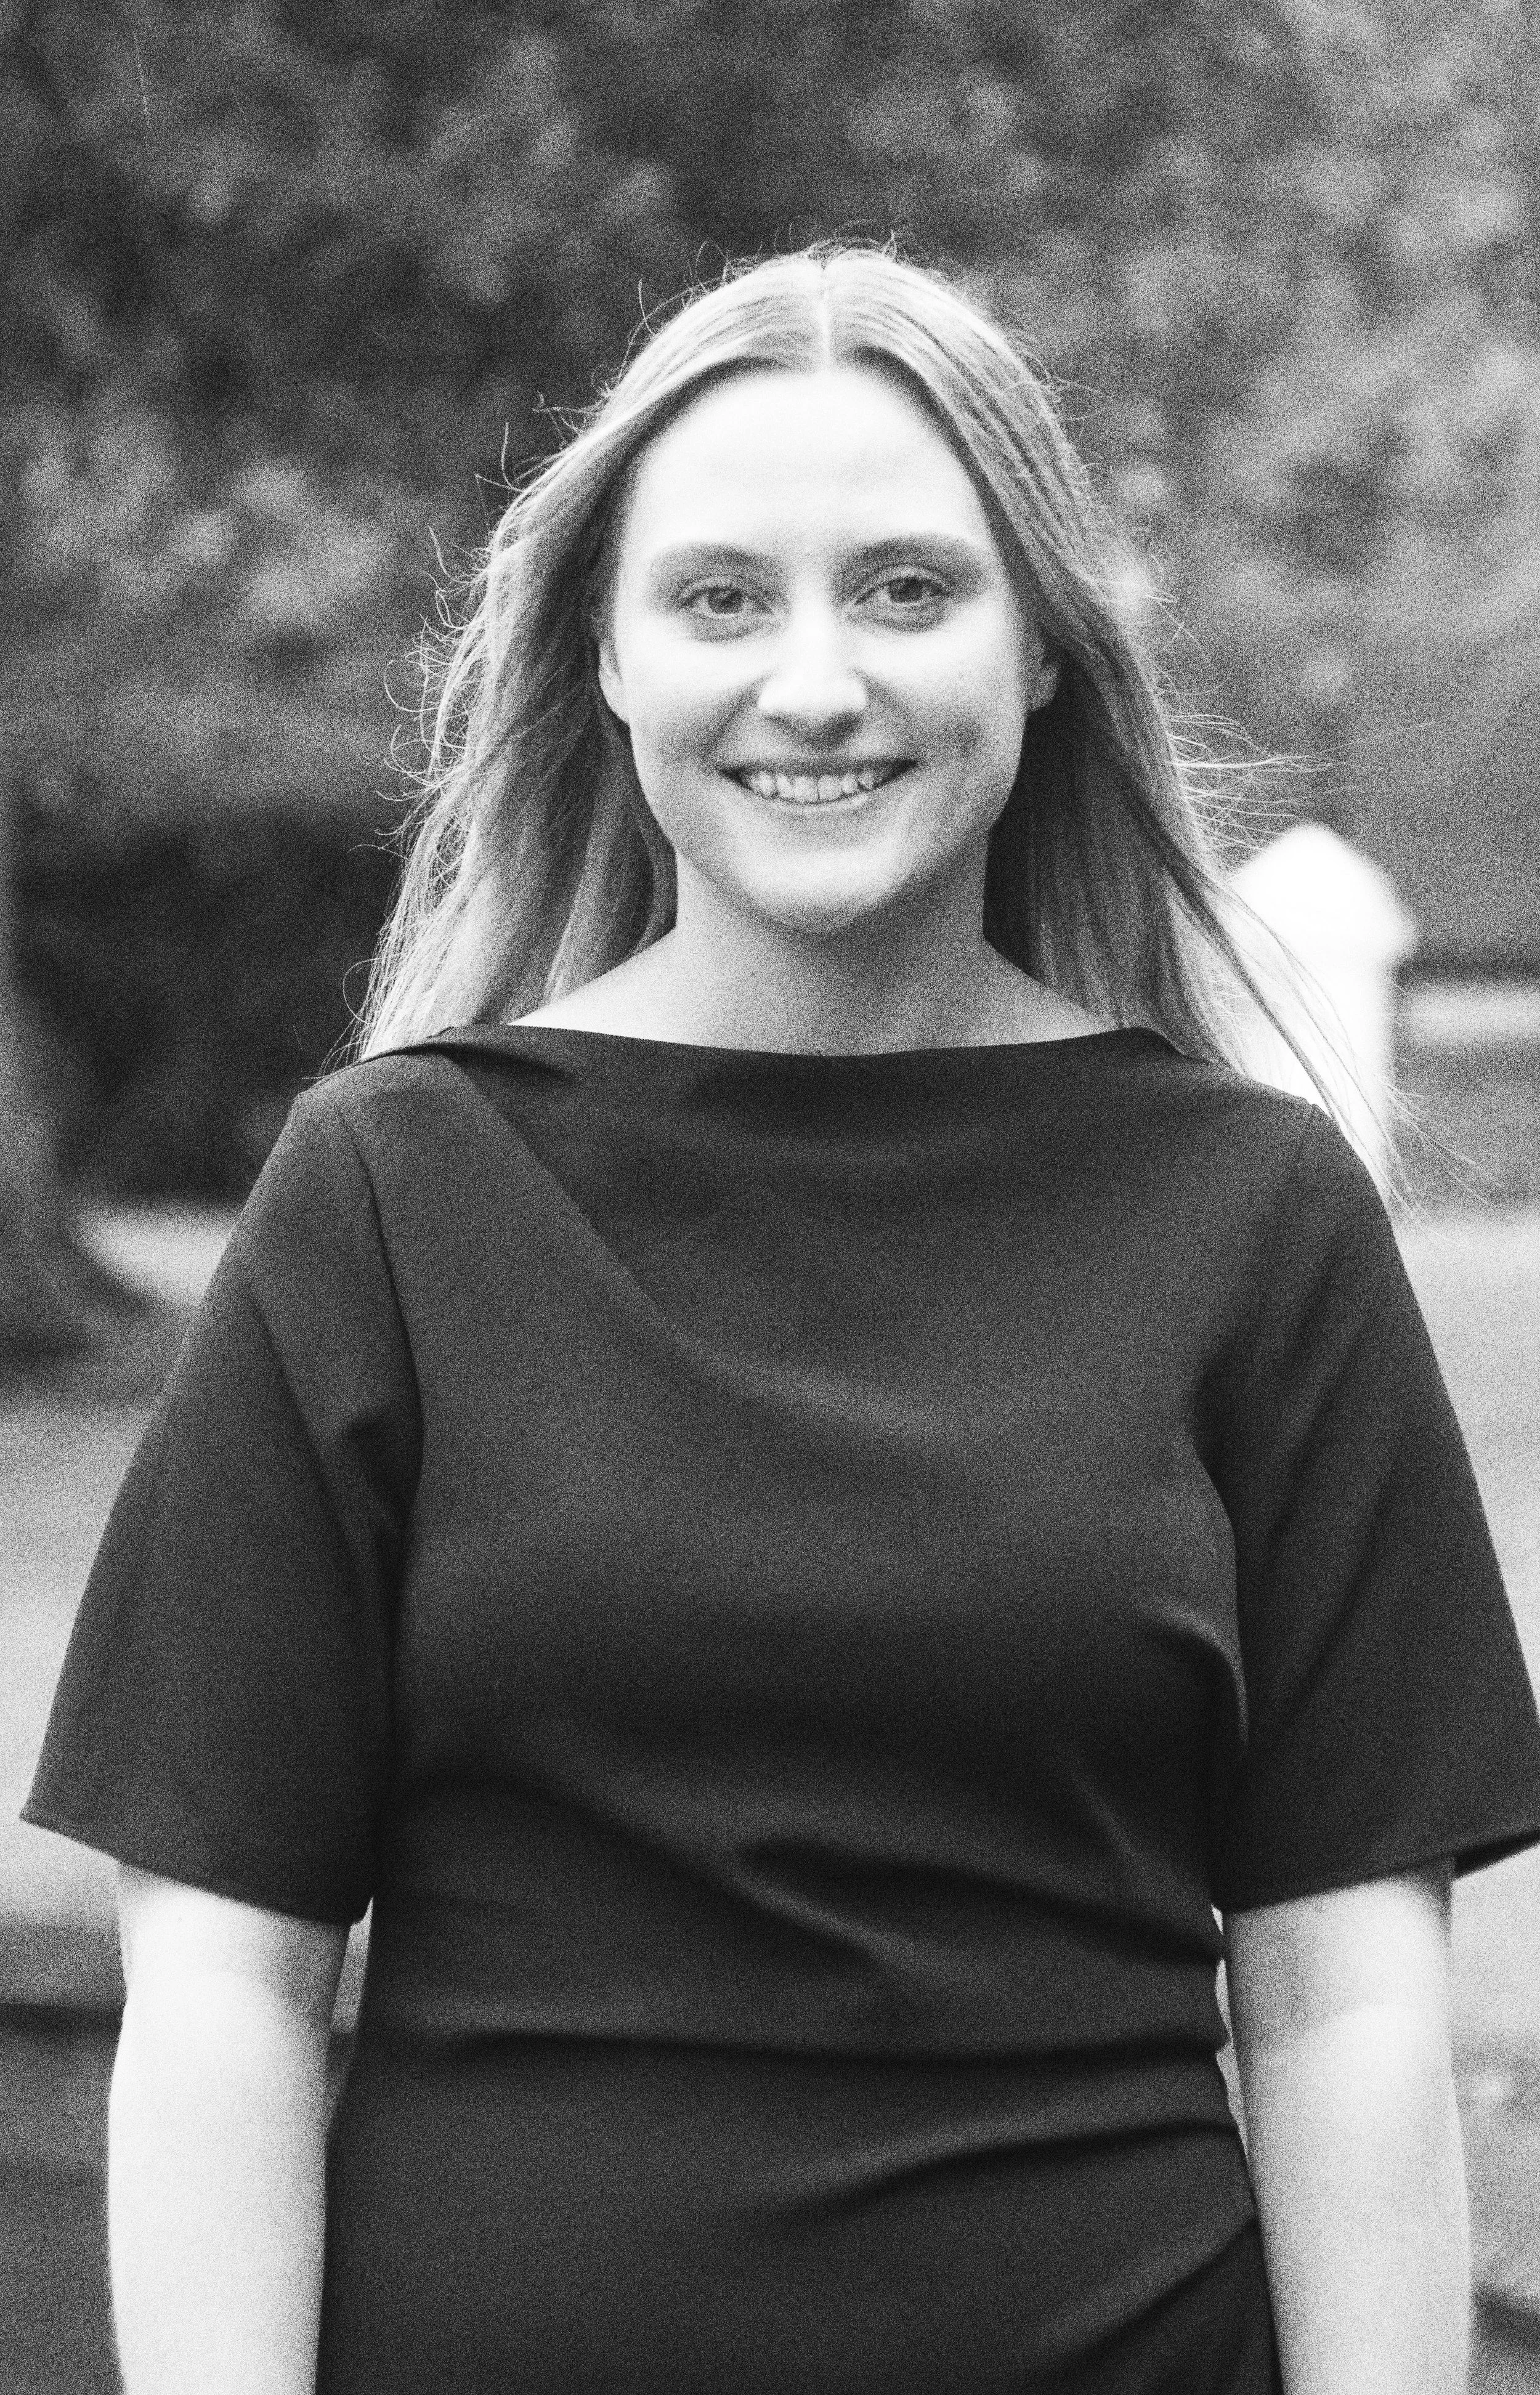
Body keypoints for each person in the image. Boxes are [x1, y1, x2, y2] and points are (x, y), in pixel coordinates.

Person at [26, 245, 1540, 2395]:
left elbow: (1346, 2011)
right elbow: (223, 1995)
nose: (812, 682)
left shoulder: (1256, 1218)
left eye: (907, 590)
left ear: (1041, 651)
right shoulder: (391, 1195)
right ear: (607, 660)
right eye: (721, 598)